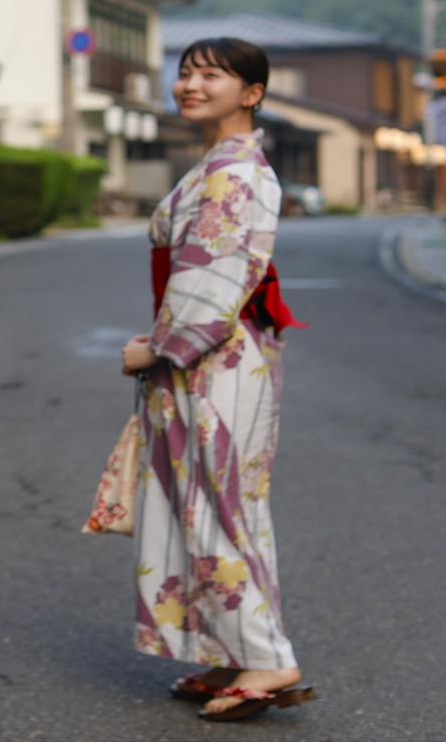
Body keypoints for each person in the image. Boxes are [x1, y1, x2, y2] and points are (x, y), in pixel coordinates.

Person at [119, 37, 315, 722]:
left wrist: (158, 348)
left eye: (211, 75)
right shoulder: (223, 164)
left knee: (217, 500)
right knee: (214, 499)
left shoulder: (234, 173)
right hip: (217, 350)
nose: (191, 85)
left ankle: (266, 655)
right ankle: (234, 651)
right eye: (185, 73)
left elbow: (215, 276)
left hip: (212, 352)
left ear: (252, 92)